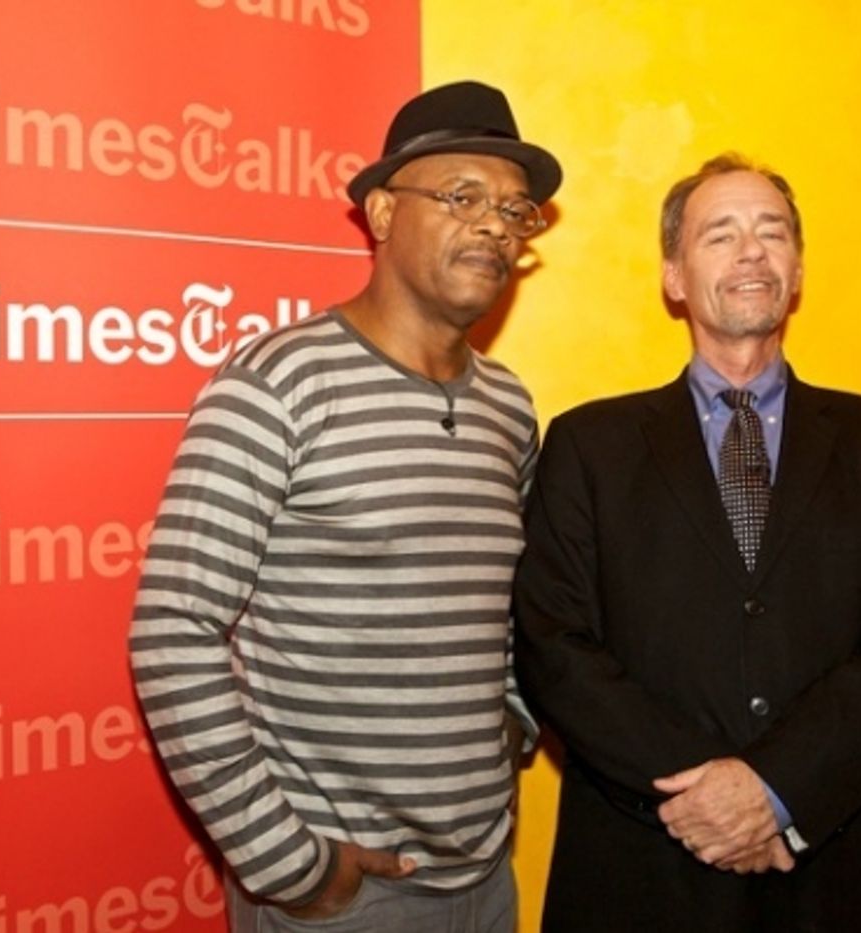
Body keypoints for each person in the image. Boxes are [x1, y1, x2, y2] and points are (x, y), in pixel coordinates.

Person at [129, 81, 561, 932]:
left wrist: (513, 719)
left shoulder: (510, 407)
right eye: (463, 196)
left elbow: (509, 601)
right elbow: (173, 629)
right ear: (383, 212)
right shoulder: (277, 383)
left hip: (486, 877)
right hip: (343, 898)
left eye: (516, 211)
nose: (495, 227)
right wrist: (292, 866)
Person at [513, 153, 861, 932]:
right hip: (645, 867)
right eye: (719, 234)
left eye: (772, 232)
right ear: (674, 277)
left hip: (849, 868)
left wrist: (776, 787)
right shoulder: (588, 446)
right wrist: (711, 796)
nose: (752, 251)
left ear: (798, 271)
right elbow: (554, 646)